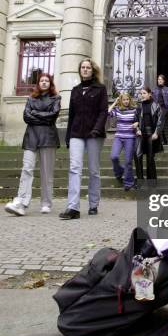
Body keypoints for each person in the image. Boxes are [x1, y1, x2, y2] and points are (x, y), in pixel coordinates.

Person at [4, 73, 61, 216]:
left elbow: (52, 116)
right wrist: (42, 115)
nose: (44, 83)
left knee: (46, 173)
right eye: (41, 80)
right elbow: (26, 116)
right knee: (27, 169)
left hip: (48, 138)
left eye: (46, 81)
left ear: (50, 83)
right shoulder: (30, 98)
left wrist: (35, 113)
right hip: (31, 137)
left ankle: (46, 203)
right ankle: (21, 203)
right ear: (38, 83)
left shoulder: (56, 98)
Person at [59, 59, 108, 220]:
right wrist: (68, 136)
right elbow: (72, 115)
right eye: (83, 67)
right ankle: (73, 207)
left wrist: (97, 129)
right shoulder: (75, 90)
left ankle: (93, 203)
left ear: (92, 70)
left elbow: (103, 112)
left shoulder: (100, 89)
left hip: (94, 134)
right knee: (74, 168)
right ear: (80, 70)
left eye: (88, 67)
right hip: (76, 133)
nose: (85, 70)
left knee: (94, 170)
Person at [108, 92, 138, 191]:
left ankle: (128, 183)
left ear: (130, 100)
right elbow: (107, 112)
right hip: (119, 137)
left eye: (127, 99)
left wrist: (137, 123)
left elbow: (139, 120)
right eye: (124, 100)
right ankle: (119, 173)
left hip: (130, 137)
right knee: (114, 156)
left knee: (128, 161)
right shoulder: (118, 110)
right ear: (121, 100)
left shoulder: (134, 110)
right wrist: (115, 102)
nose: (126, 101)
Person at [135, 86, 163, 183]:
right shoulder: (139, 106)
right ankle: (140, 181)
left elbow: (160, 120)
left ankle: (151, 182)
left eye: (144, 93)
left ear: (150, 94)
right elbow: (135, 120)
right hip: (141, 134)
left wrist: (156, 133)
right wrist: (137, 129)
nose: (142, 95)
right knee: (138, 156)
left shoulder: (156, 105)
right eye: (141, 93)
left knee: (150, 159)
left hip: (152, 134)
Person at [152, 74, 168, 145]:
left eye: (161, 79)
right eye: (158, 79)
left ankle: (160, 140)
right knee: (160, 125)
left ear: (164, 81)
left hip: (164, 109)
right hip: (157, 109)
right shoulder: (154, 89)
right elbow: (153, 101)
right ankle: (164, 141)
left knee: (160, 122)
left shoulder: (167, 89)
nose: (159, 81)